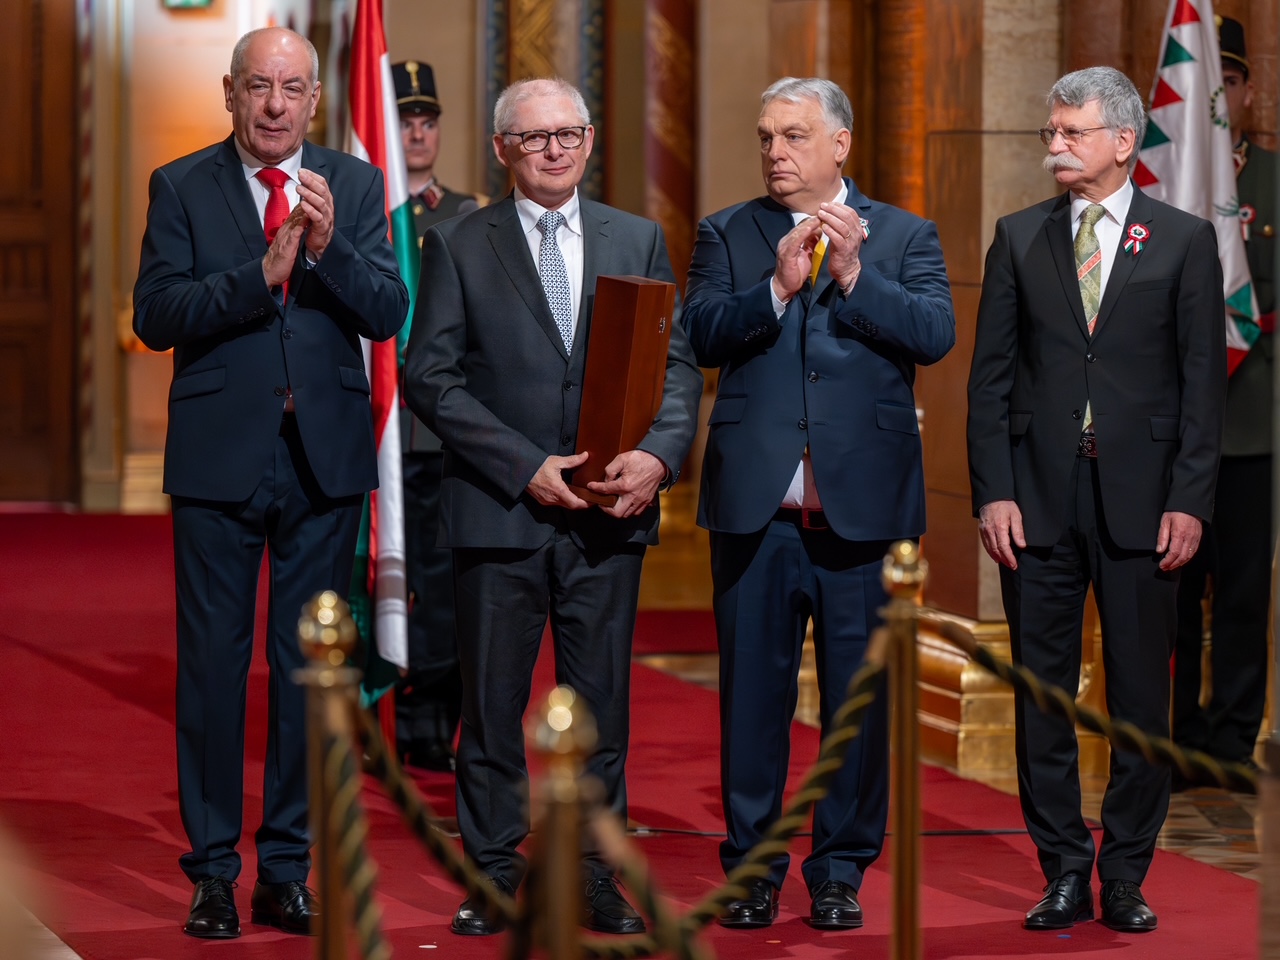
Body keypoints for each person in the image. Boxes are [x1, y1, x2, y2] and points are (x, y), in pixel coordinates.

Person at [402, 77, 702, 937]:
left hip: (609, 514)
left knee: (601, 710)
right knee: (492, 712)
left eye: (568, 133)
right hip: (499, 512)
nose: (554, 149)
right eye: (534, 137)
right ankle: (493, 874)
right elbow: (431, 378)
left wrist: (659, 456)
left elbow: (677, 367)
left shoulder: (636, 238)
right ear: (503, 148)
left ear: (591, 138)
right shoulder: (458, 243)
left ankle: (596, 876)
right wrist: (522, 465)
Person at [132, 27, 407, 939]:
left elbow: (388, 309)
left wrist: (327, 251)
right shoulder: (181, 185)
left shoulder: (354, 185)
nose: (276, 104)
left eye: (292, 88)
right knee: (213, 671)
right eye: (259, 86)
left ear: (317, 99)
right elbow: (157, 313)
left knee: (305, 674)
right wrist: (260, 276)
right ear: (230, 93)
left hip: (323, 462)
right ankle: (212, 871)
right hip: (219, 460)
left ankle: (286, 868)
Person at [683, 77, 955, 930]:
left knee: (857, 710)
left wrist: (854, 276)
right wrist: (775, 289)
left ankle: (839, 872)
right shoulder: (728, 231)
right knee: (752, 703)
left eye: (794, 136)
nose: (775, 151)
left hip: (863, 514)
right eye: (766, 136)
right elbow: (698, 333)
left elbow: (935, 334)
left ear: (840, 144)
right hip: (756, 513)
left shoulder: (904, 233)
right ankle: (752, 871)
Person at [967, 66, 1225, 934]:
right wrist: (994, 493)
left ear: (1123, 140)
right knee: (1042, 697)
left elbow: (1202, 386)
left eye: (1071, 132)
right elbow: (989, 381)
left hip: (1146, 504)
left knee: (1140, 701)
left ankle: (1124, 874)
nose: (1055, 145)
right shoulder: (1018, 237)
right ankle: (1063, 870)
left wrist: (1190, 499)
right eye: (1050, 132)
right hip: (1036, 502)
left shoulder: (1185, 240)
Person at [1172, 15, 1275, 773]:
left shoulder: (1272, 177)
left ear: (1246, 93)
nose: (1219, 92)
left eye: (1230, 81)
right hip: (1176, 420)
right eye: (1209, 79)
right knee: (1172, 591)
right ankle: (1171, 740)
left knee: (1241, 593)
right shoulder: (1166, 179)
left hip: (1254, 416)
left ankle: (1234, 741)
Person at [390, 59, 488, 773]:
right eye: (405, 121)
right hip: (380, 429)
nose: (418, 133)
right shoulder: (365, 213)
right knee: (389, 578)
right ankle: (381, 716)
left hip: (444, 430)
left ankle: (434, 720)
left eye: (428, 121)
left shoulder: (469, 213)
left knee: (449, 580)